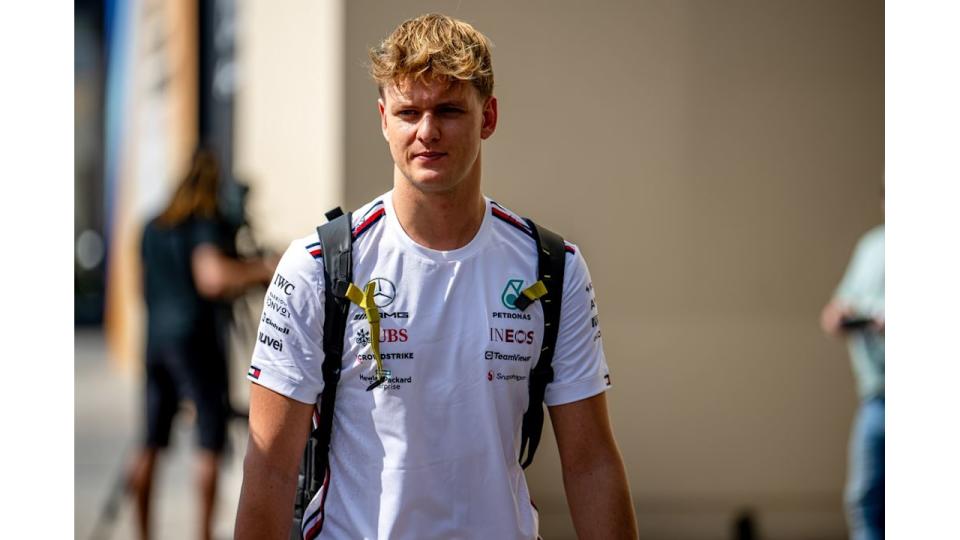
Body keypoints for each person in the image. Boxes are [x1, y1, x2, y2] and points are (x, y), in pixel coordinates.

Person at [235, 14, 638, 539]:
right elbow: (270, 466)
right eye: (409, 112)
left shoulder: (553, 268)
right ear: (384, 119)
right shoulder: (318, 268)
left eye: (448, 110)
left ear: (487, 117)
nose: (427, 131)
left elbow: (590, 463)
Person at [129, 147, 278, 540]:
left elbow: (138, 286)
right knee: (209, 438)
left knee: (150, 440)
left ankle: (142, 533)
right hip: (195, 339)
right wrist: (263, 268)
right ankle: (204, 534)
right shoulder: (204, 221)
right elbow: (212, 276)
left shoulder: (152, 225)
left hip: (156, 339)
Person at [820, 223, 884, 540]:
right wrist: (845, 316)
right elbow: (832, 314)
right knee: (865, 501)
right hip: (877, 396)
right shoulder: (872, 246)